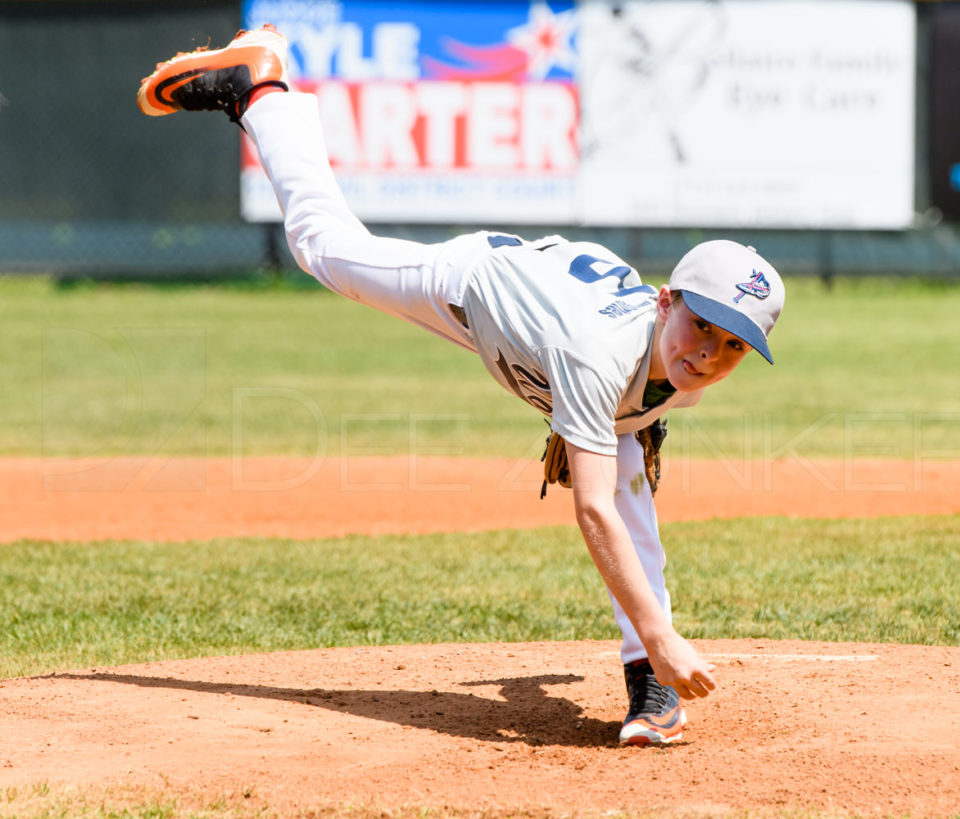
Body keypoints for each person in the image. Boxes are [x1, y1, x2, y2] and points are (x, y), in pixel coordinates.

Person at [138, 25, 785, 747]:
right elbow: (592, 510)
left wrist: (621, 422)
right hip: (476, 288)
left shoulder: (681, 369)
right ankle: (262, 91)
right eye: (704, 324)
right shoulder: (597, 355)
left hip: (568, 330)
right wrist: (664, 629)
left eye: (735, 343)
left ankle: (650, 687)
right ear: (668, 301)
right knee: (321, 249)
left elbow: (641, 427)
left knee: (632, 470)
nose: (712, 351)